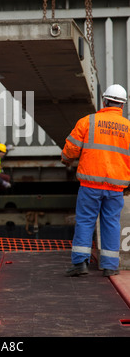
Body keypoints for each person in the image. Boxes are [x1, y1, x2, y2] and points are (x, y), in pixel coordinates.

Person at [61, 84, 130, 277]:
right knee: (111, 222)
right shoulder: (129, 128)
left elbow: (71, 149)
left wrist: (66, 159)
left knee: (85, 221)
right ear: (122, 105)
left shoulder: (87, 122)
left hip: (90, 185)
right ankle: (110, 266)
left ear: (104, 101)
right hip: (116, 187)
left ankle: (80, 264)